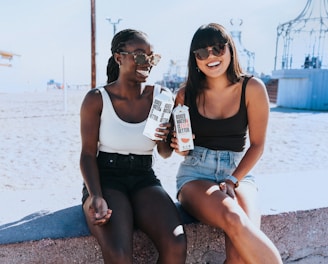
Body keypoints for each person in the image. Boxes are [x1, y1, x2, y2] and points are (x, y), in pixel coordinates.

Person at [171, 23, 283, 264]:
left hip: (239, 173)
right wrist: (180, 146)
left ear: (230, 50)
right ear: (195, 60)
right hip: (196, 174)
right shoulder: (185, 94)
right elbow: (183, 148)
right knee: (233, 217)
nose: (210, 56)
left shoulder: (252, 88)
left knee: (241, 256)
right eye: (202, 53)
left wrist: (233, 180)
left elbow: (257, 145)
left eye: (218, 48)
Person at [80, 29, 186, 264]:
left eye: (151, 57)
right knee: (119, 255)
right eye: (139, 56)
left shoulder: (161, 97)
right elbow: (87, 155)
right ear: (119, 57)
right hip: (106, 178)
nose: (147, 63)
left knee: (176, 243)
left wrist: (166, 137)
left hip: (143, 177)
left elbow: (164, 153)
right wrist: (95, 195)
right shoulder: (97, 99)